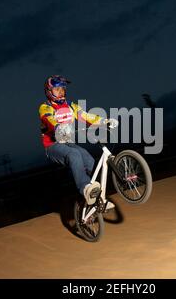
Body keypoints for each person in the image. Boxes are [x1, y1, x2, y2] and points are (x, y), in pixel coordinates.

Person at [39, 75, 118, 207]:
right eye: (57, 89)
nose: (61, 92)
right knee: (74, 155)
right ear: (49, 91)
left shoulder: (71, 106)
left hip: (68, 143)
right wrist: (59, 127)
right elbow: (49, 120)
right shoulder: (45, 107)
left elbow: (86, 116)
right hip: (52, 146)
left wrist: (104, 121)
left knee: (89, 160)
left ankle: (99, 199)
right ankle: (85, 188)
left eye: (62, 89)